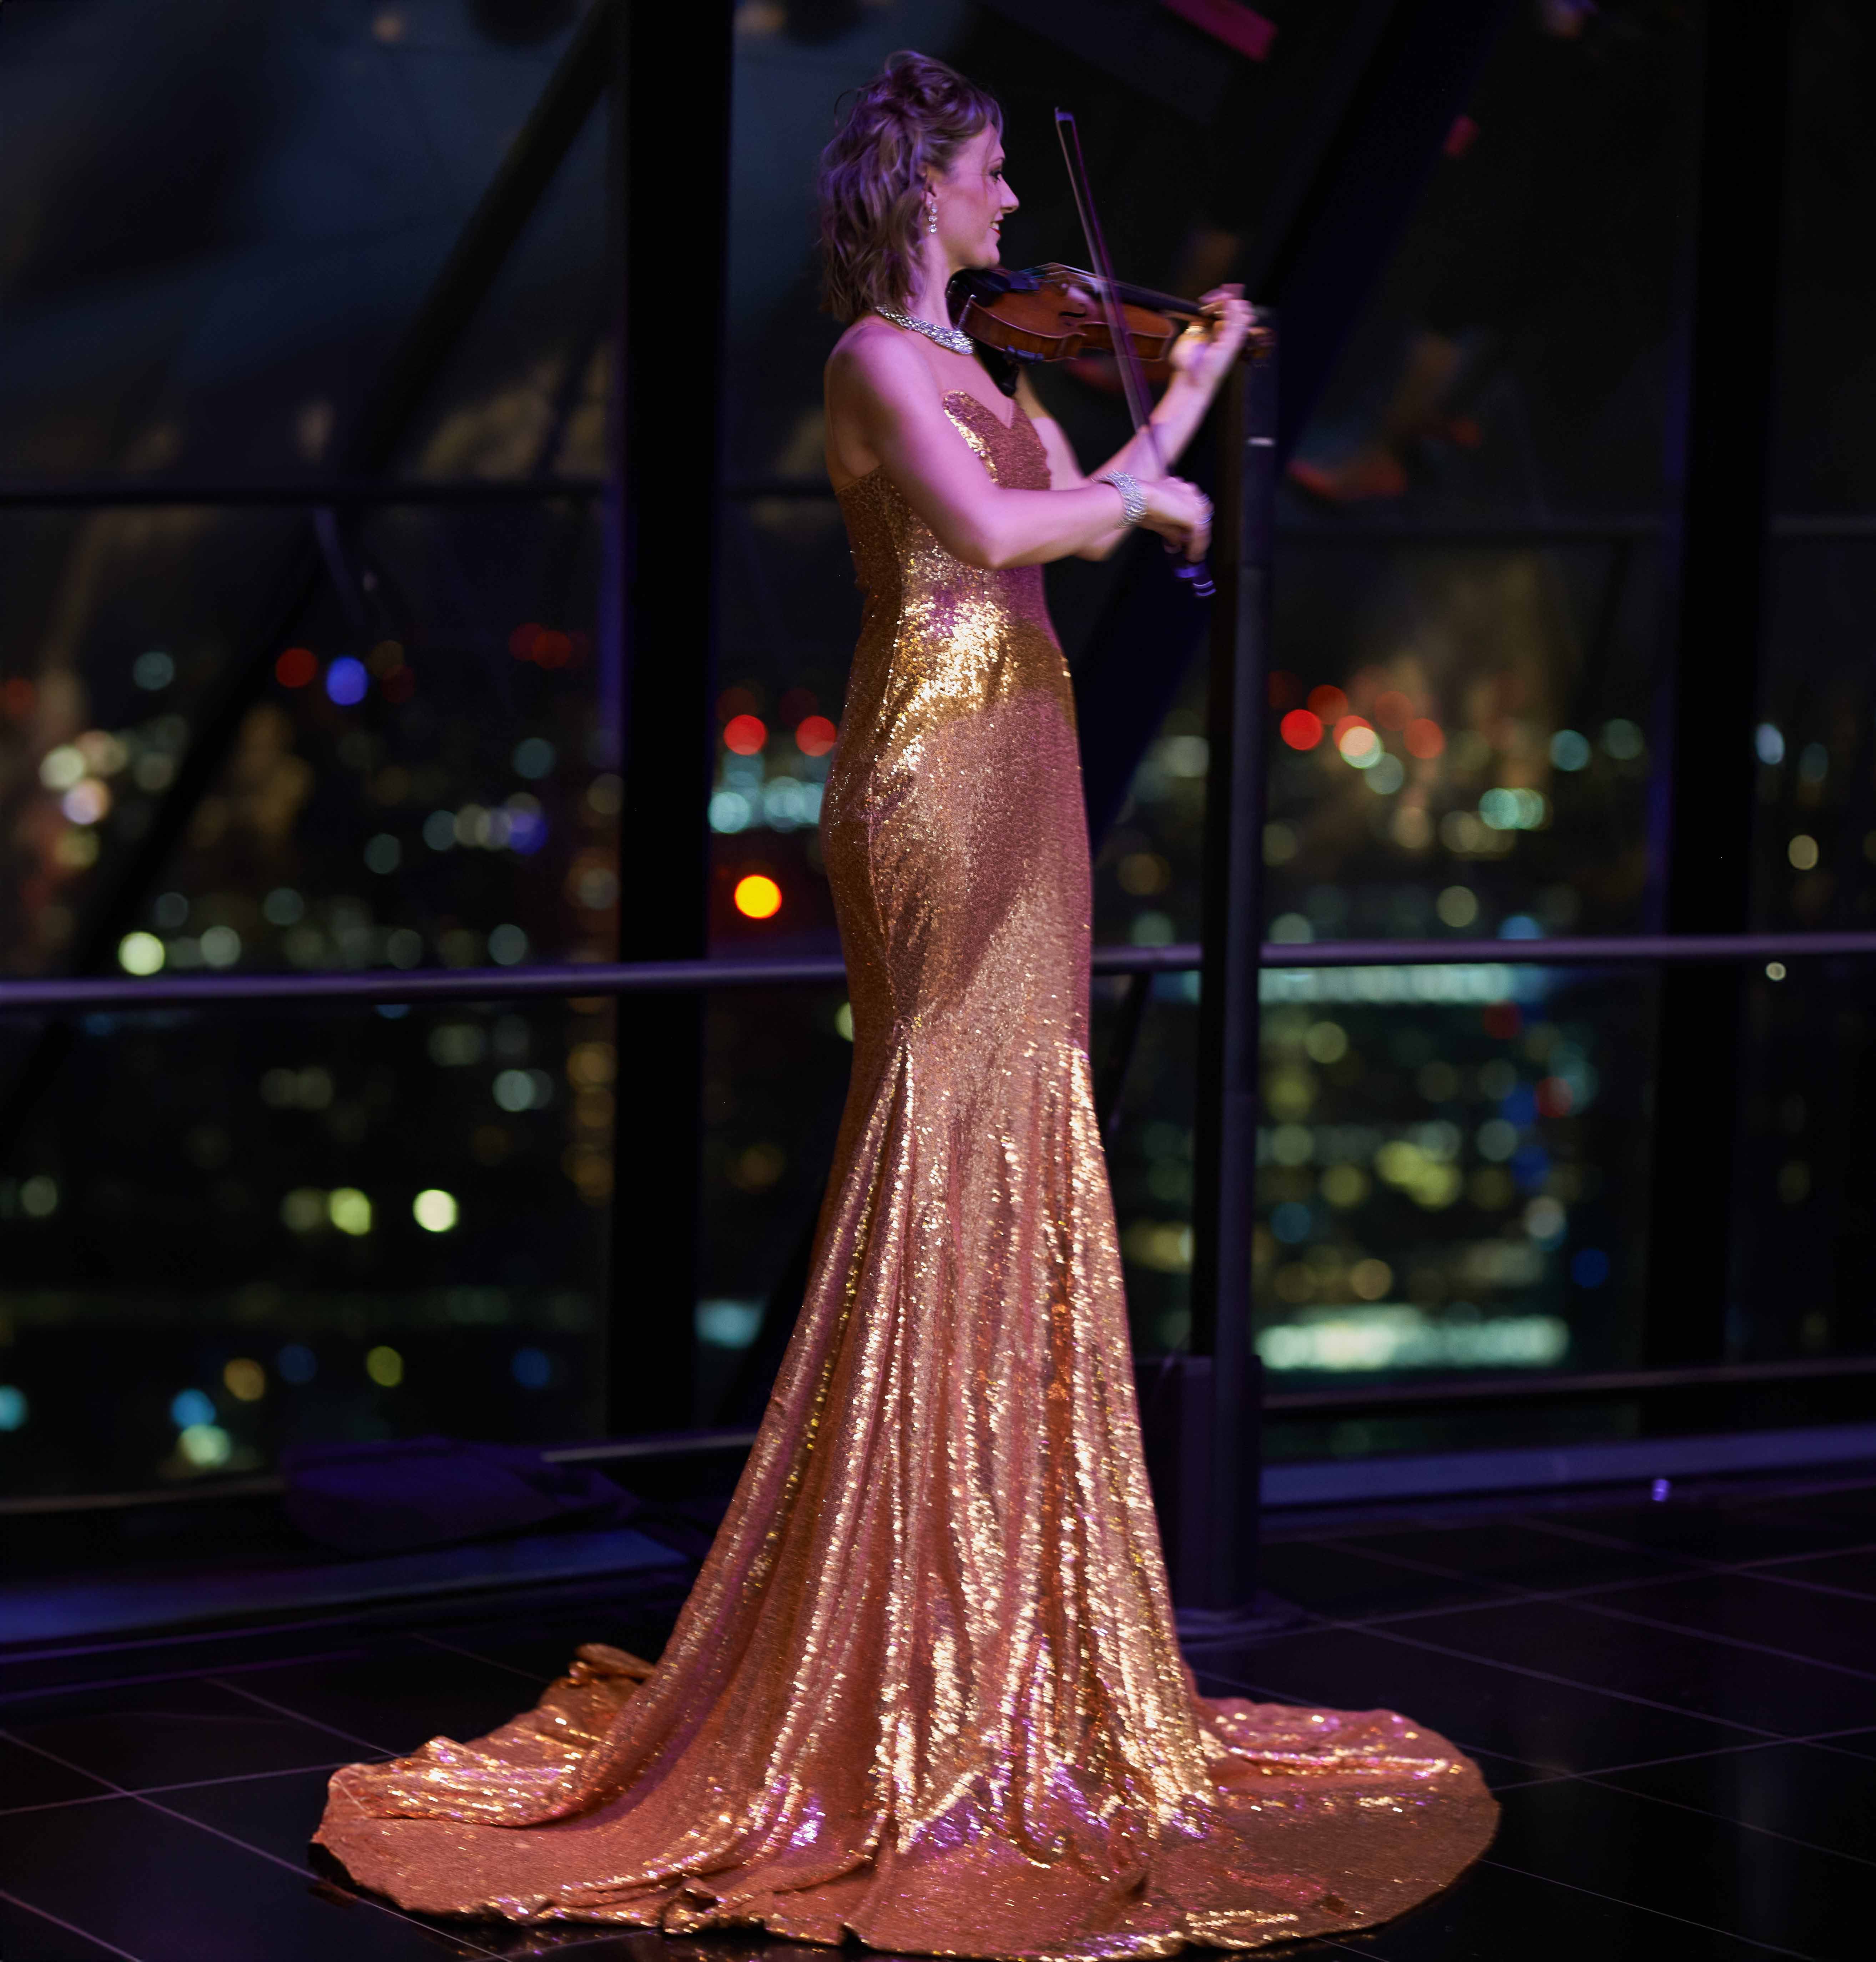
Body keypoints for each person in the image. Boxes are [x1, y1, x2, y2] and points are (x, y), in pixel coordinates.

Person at [314, 52, 1495, 1955]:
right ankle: (889, 1610)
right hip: (934, 770)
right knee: (949, 1114)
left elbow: (1088, 495)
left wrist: (1189, 389)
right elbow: (1011, 538)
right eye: (991, 172)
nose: (1016, 203)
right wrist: (1147, 494)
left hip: (1027, 758)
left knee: (1022, 1122)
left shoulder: (1000, 368)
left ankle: (990, 1613)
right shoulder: (878, 363)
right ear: (921, 188)